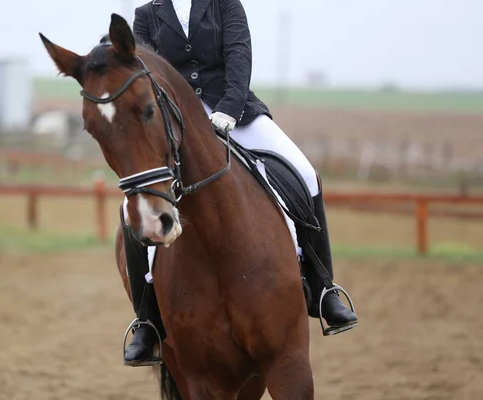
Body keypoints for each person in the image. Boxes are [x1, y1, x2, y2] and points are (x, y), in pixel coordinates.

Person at [122, 0, 358, 366]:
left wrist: (229, 109)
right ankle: (147, 320)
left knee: (306, 173)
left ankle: (324, 288)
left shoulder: (225, 4)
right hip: (177, 124)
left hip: (235, 111)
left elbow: (238, 57)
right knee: (131, 210)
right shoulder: (146, 15)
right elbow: (146, 75)